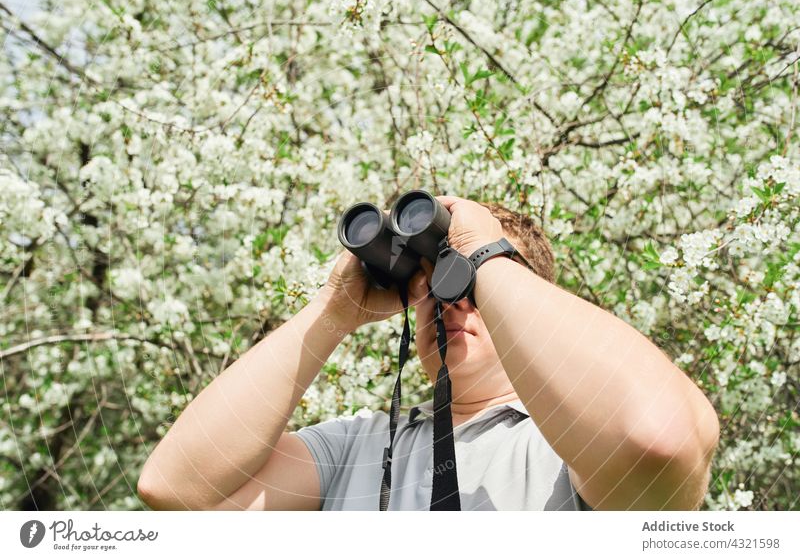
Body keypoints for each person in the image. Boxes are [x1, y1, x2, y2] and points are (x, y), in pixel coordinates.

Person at [137, 195, 720, 511]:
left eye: (467, 284)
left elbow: (660, 438)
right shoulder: (358, 448)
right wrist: (332, 312)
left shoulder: (567, 449)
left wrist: (483, 254)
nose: (449, 301)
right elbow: (177, 489)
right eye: (433, 285)